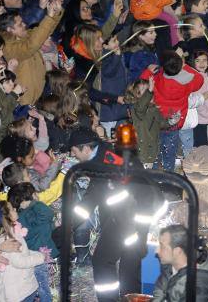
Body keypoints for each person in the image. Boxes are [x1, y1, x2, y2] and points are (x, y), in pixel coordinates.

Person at [68, 129, 151, 302]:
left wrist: (67, 226)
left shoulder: (104, 164)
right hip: (131, 212)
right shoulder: (105, 152)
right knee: (130, 261)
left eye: (74, 150)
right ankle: (130, 298)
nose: (72, 154)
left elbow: (91, 199)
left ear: (85, 149)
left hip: (130, 215)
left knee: (103, 260)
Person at [151, 224, 208, 302]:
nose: (156, 251)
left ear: (177, 251)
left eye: (162, 246)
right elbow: (160, 293)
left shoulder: (201, 280)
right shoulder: (169, 265)